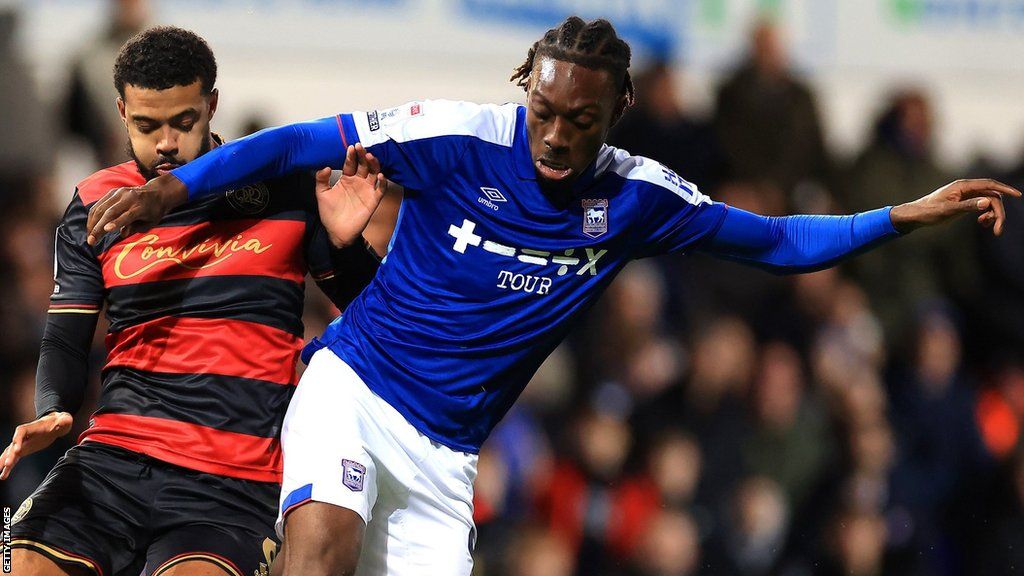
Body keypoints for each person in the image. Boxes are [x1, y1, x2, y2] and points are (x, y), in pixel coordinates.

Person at [83, 16, 1020, 576]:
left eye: (580, 119)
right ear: (526, 88)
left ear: (616, 114)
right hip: (355, 392)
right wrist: (172, 190)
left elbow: (780, 241)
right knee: (319, 547)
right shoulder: (460, 136)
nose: (556, 136)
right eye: (545, 110)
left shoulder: (639, 198)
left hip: (448, 461)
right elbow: (294, 142)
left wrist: (903, 213)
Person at [2, 26, 385, 576]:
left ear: (212, 105)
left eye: (184, 123)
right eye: (146, 125)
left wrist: (348, 248)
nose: (165, 143)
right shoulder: (94, 203)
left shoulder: (285, 187)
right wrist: (53, 409)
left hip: (232, 483)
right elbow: (65, 335)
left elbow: (377, 317)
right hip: (112, 461)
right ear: (120, 112)